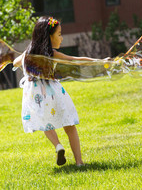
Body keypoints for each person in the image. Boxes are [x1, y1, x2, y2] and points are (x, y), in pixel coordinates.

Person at [13, 16, 109, 166]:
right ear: (48, 37)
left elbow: (14, 62)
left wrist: (26, 64)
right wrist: (100, 61)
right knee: (69, 125)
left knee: (45, 124)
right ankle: (79, 162)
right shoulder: (51, 54)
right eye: (59, 34)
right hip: (53, 93)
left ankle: (58, 146)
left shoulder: (27, 54)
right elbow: (74, 59)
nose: (62, 38)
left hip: (35, 94)